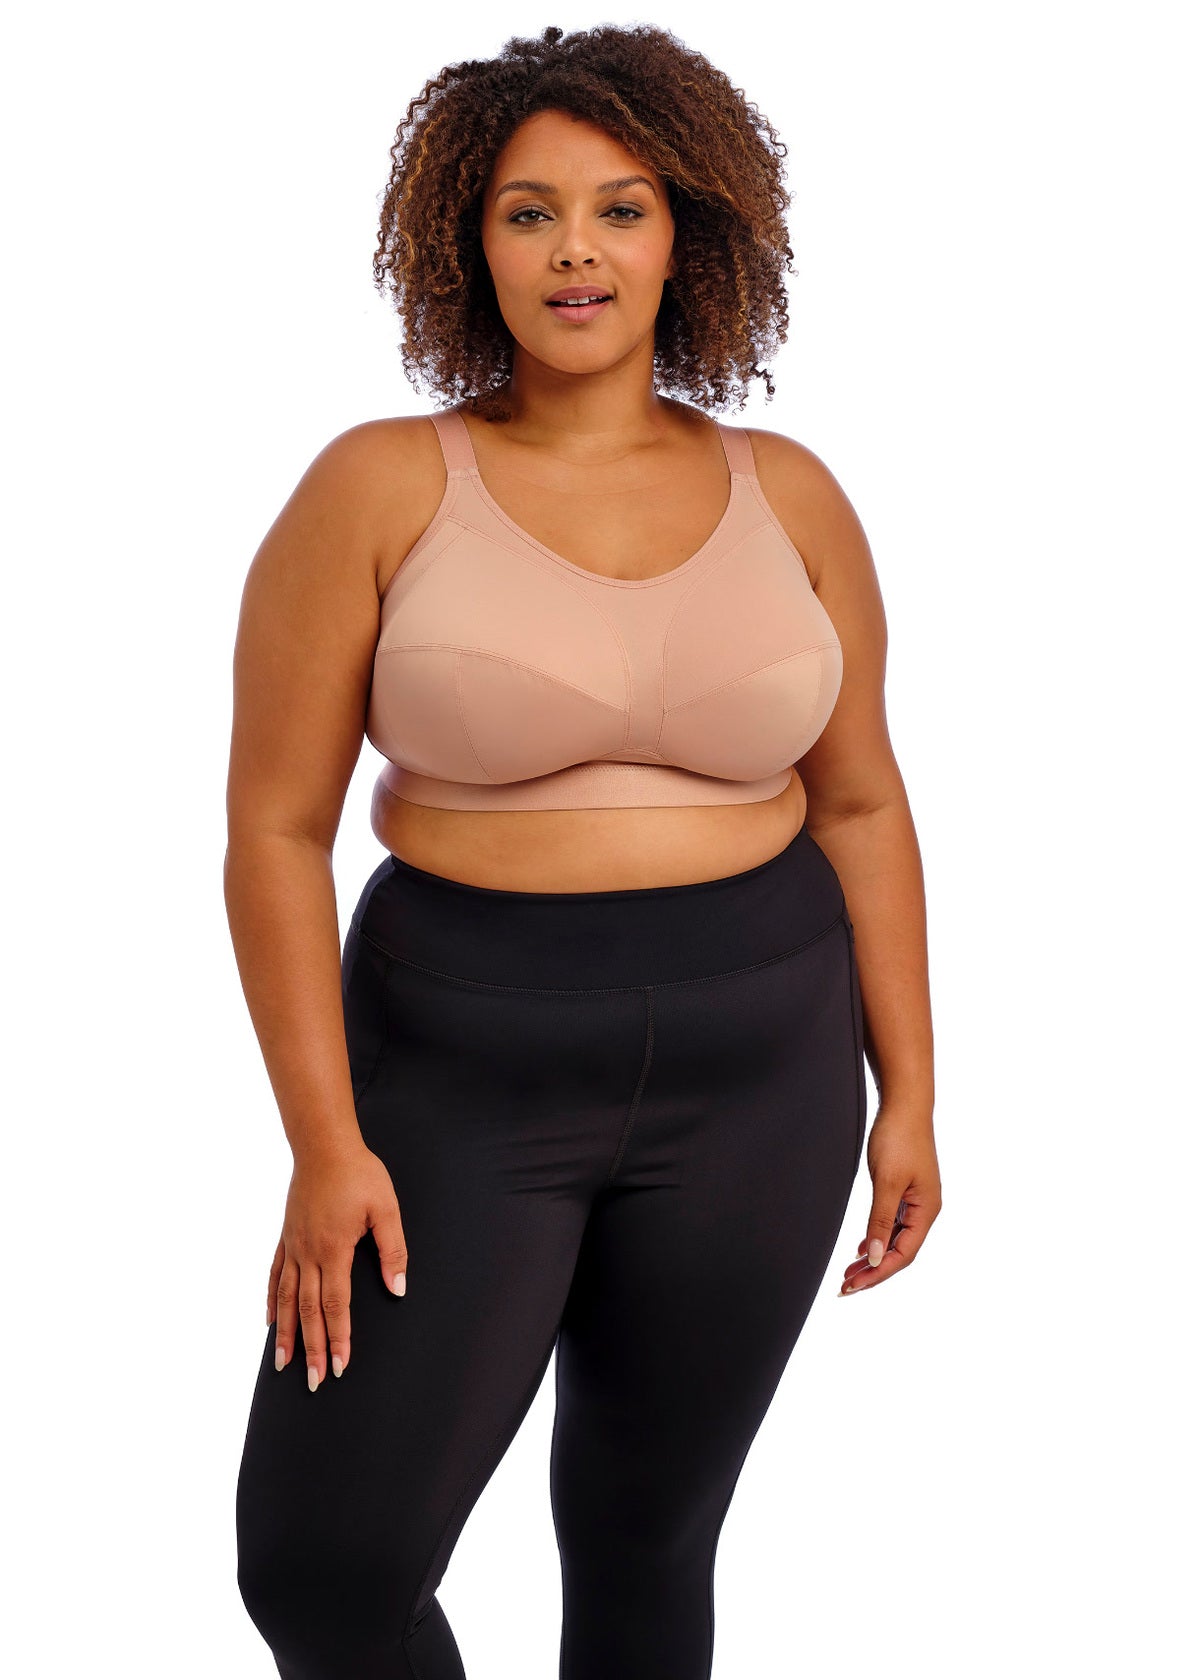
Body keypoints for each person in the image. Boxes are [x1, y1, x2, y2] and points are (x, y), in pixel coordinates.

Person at [228, 22, 940, 1679]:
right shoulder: (380, 485)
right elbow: (273, 829)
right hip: (462, 1055)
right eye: (529, 212)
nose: (576, 252)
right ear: (468, 244)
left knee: (646, 1535)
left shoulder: (793, 494)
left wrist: (909, 1086)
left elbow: (861, 802)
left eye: (621, 210)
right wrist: (325, 1146)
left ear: (688, 238)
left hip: (764, 1060)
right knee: (327, 1568)